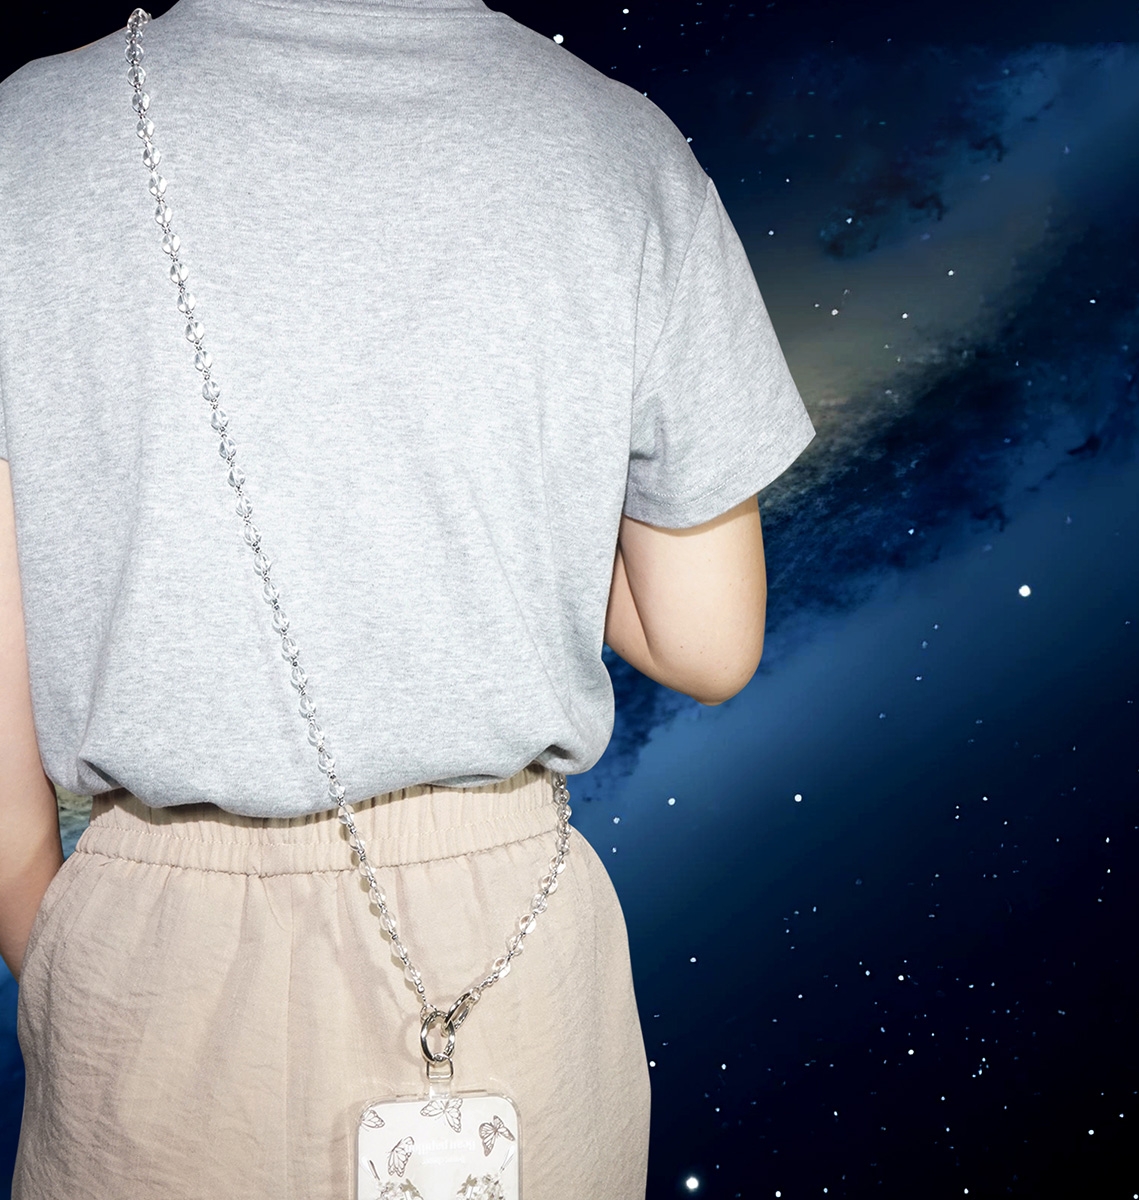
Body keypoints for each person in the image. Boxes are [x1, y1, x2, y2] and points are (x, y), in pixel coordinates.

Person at [0, 1, 817, 1196]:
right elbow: (710, 641)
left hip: (156, 967)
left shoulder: (27, 136)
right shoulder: (619, 144)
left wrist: (62, 950)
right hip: (520, 949)